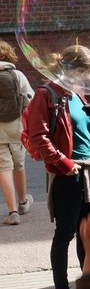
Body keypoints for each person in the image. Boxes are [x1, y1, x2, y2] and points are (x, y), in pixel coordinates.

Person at [26, 45, 90, 289]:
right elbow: (39, 137)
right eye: (88, 72)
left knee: (88, 232)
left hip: (89, 170)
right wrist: (64, 163)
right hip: (67, 174)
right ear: (76, 69)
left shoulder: (78, 94)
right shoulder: (46, 94)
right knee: (65, 233)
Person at [0, 41, 34, 225]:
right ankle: (22, 202)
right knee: (18, 165)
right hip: (16, 125)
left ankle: (13, 212)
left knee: (3, 168)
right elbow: (31, 99)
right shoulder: (17, 74)